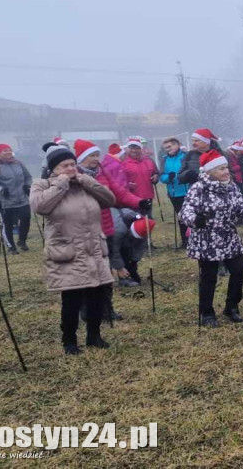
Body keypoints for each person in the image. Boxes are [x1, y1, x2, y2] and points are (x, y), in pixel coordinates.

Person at [30, 144, 116, 354]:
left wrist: (87, 181)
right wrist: (61, 184)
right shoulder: (42, 185)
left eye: (72, 164)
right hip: (67, 252)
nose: (70, 168)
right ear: (54, 169)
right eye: (64, 165)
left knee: (97, 295)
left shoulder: (85, 183)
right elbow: (40, 207)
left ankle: (94, 336)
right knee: (71, 300)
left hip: (93, 249)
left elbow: (109, 200)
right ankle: (69, 340)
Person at [179, 150, 243, 328]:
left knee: (239, 269)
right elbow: (184, 212)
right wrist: (196, 220)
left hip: (228, 235)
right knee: (209, 276)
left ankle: (231, 306)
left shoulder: (230, 186)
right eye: (221, 169)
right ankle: (207, 313)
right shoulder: (199, 188)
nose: (226, 172)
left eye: (226, 168)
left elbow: (240, 205)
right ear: (210, 172)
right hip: (206, 238)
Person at [74, 139, 150, 291]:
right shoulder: (75, 176)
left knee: (110, 258)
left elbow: (119, 192)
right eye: (92, 156)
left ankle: (109, 307)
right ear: (82, 158)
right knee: (94, 266)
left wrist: (138, 202)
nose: (96, 158)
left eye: (97, 155)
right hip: (85, 227)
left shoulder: (102, 171)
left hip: (105, 223)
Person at [0, 144, 32, 254]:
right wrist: (1, 190)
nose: (8, 152)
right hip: (6, 200)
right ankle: (11, 246)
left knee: (26, 219)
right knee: (8, 224)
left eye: (9, 150)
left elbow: (28, 176)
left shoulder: (18, 163)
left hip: (22, 198)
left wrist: (27, 185)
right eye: (4, 151)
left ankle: (22, 241)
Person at [159, 138, 190, 248]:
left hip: (188, 192)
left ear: (177, 145)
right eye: (166, 148)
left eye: (170, 146)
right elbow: (161, 177)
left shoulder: (186, 156)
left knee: (191, 216)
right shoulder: (164, 160)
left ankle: (195, 239)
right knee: (181, 217)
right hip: (175, 193)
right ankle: (185, 241)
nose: (168, 149)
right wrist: (168, 177)